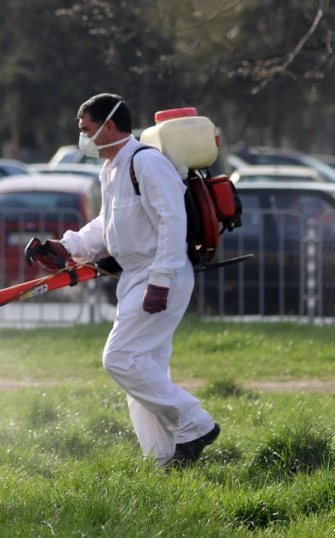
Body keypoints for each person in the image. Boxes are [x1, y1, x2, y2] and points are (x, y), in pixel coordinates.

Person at [29, 93, 219, 467]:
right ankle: (165, 459)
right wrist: (68, 247)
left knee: (120, 359)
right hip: (136, 276)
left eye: (86, 130)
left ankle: (196, 426)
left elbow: (172, 221)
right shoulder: (112, 168)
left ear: (109, 126)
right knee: (143, 373)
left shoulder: (146, 163)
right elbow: (107, 225)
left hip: (161, 274)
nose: (82, 138)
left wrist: (161, 281)